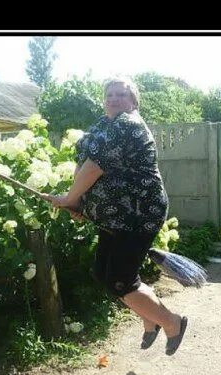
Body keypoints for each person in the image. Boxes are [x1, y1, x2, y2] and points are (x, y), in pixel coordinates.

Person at [43, 77, 188, 355]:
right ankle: (150, 320)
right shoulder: (102, 126)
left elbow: (94, 167)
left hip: (137, 215)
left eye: (121, 94)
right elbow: (84, 163)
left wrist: (69, 199)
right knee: (104, 274)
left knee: (120, 280)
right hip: (115, 217)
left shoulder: (127, 125)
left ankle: (173, 323)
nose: (113, 99)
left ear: (133, 101)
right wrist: (80, 203)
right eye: (109, 94)